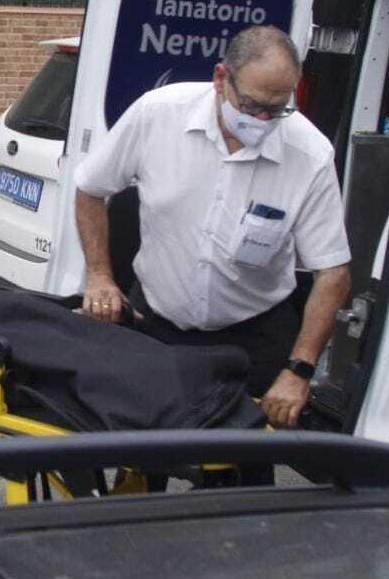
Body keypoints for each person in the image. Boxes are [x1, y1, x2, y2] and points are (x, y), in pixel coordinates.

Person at [73, 26, 351, 447]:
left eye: (277, 110)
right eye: (253, 105)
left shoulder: (308, 154)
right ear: (221, 78)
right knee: (142, 457)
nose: (262, 121)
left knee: (243, 467)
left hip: (253, 336)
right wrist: (98, 275)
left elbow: (333, 273)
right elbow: (90, 189)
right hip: (159, 326)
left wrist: (299, 370)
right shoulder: (157, 114)